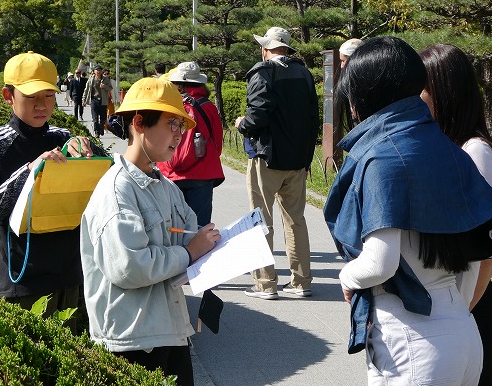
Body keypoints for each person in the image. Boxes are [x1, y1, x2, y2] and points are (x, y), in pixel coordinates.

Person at [323, 36, 492, 385]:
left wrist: (346, 277)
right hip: (461, 328)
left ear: (363, 96)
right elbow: (481, 248)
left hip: (412, 336)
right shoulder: (447, 149)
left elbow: (380, 262)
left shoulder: (384, 156)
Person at [81, 77, 221, 385]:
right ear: (139, 123)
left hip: (168, 329)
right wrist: (189, 253)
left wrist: (215, 247)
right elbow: (129, 266)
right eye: (172, 124)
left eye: (181, 126)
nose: (179, 134)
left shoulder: (165, 186)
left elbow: (188, 235)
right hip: (132, 340)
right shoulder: (117, 191)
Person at [0, 51, 97, 331]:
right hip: (22, 283)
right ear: (8, 95)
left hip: (71, 277)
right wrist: (29, 171)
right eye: (31, 97)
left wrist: (90, 150)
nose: (42, 105)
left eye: (49, 95)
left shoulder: (64, 138)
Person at [420, 43, 492, 386]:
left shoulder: (476, 152)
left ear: (443, 91)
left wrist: (464, 308)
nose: (415, 98)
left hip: (473, 307)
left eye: (421, 88)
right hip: (454, 305)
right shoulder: (447, 147)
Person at [235, 26, 319, 300]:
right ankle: (301, 282)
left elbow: (257, 115)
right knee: (296, 221)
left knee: (261, 219)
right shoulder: (304, 73)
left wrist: (242, 124)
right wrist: (307, 158)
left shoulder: (263, 72)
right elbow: (313, 120)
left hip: (266, 157)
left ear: (265, 48)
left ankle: (265, 283)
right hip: (297, 160)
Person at [157, 61, 224, 226]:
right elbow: (217, 144)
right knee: (200, 227)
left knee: (172, 227)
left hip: (170, 173)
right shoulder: (208, 107)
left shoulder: (170, 106)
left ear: (178, 83)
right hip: (202, 173)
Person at [83, 65, 112, 137]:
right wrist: (84, 100)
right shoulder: (91, 79)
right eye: (97, 70)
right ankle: (97, 132)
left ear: (101, 71)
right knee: (95, 119)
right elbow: (86, 90)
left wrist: (104, 86)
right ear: (94, 71)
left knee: (103, 119)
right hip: (94, 100)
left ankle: (101, 128)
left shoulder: (105, 79)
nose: (98, 71)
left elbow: (110, 88)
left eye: (99, 70)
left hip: (103, 101)